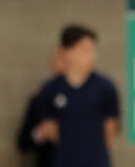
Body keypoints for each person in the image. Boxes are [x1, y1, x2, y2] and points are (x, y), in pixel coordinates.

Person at [36, 25, 120, 167]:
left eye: (93, 50)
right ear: (67, 52)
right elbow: (49, 128)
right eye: (84, 51)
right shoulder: (51, 89)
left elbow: (110, 131)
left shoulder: (105, 87)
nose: (91, 56)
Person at [17, 48, 66, 167]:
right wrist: (41, 133)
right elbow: (23, 142)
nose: (62, 65)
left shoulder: (91, 98)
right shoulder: (41, 98)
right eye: (58, 60)